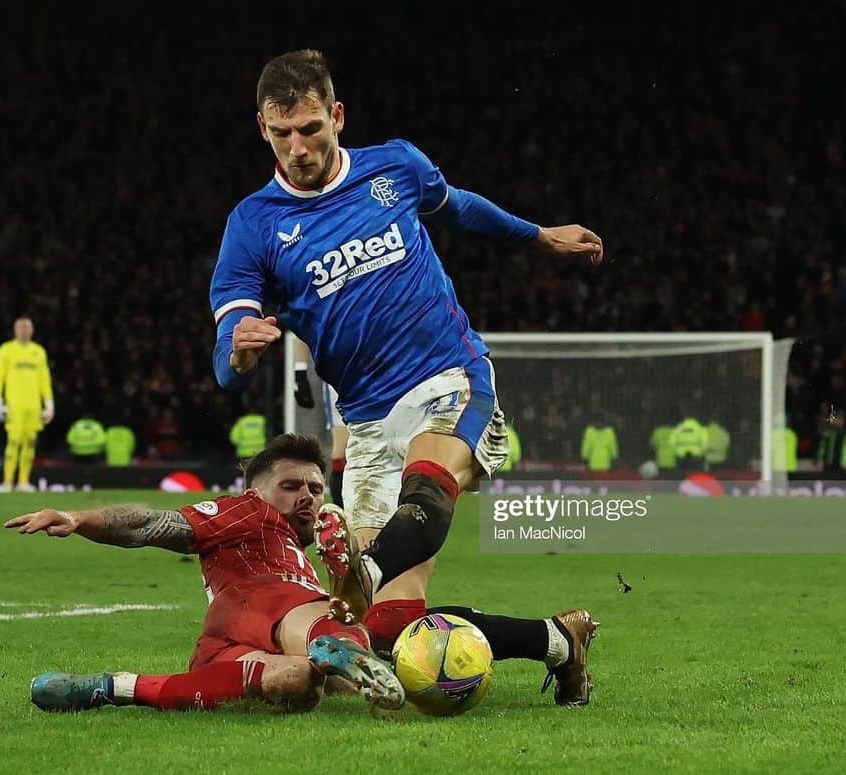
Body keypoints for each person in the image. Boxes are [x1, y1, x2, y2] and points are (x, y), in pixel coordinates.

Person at [209, 50, 601, 702]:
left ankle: (360, 569)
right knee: (391, 628)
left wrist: (538, 235)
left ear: (337, 116)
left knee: (425, 496)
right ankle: (560, 640)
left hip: (450, 376)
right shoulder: (253, 225)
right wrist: (240, 352)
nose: (298, 147)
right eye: (283, 134)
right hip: (364, 422)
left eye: (310, 128)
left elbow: (460, 208)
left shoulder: (395, 166)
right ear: (263, 130)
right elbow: (226, 353)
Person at [5, 433, 405, 714]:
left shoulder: (290, 550)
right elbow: (149, 523)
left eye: (317, 490)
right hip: (261, 601)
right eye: (291, 485)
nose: (307, 497)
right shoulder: (249, 512)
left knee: (301, 683)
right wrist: (79, 519)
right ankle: (344, 635)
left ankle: (113, 687)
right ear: (256, 491)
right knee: (324, 619)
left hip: (222, 645)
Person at [0, 317, 54, 492]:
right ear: (15, 330)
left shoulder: (38, 352)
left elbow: (44, 379)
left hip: (33, 405)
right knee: (13, 441)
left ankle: (24, 481)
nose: (24, 330)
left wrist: (49, 404)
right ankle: (7, 481)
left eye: (27, 327)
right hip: (14, 405)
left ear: (32, 330)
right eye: (21, 327)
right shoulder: (6, 350)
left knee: (30, 442)